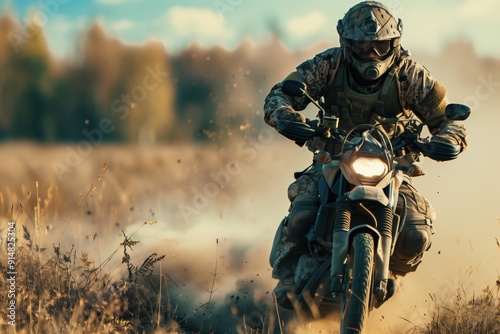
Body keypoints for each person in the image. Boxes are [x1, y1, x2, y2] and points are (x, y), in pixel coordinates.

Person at [264, 1, 468, 309]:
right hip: (332, 160)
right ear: (347, 44)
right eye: (362, 47)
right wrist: (286, 116)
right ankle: (289, 278)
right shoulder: (328, 65)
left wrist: (448, 139)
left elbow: (446, 117)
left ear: (394, 44)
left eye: (379, 46)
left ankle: (392, 273)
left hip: (393, 166)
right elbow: (280, 94)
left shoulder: (408, 74)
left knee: (417, 229)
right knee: (302, 212)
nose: (371, 54)